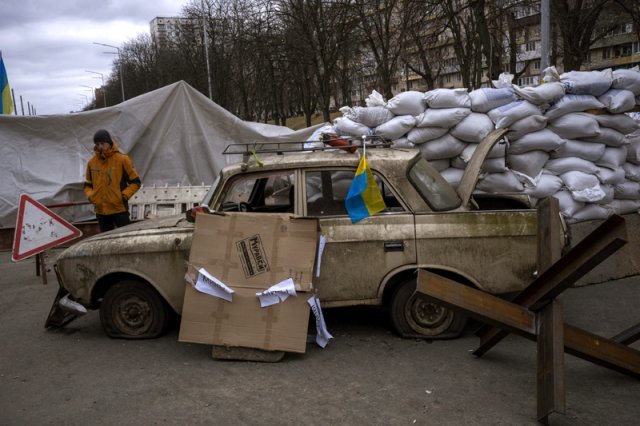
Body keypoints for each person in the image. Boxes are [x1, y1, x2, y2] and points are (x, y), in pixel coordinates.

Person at [84, 129, 141, 232]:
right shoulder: (91, 163)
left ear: (109, 143)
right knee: (106, 243)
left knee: (125, 239)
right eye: (97, 144)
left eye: (102, 143)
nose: (100, 146)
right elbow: (87, 185)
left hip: (119, 209)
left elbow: (136, 182)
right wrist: (92, 196)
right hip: (101, 212)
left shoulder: (122, 159)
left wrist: (123, 196)